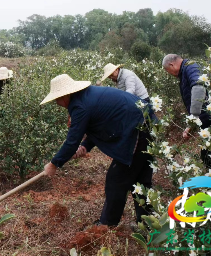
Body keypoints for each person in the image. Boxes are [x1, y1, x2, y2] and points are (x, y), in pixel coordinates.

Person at [42, 74, 154, 227]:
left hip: (136, 130)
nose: (57, 103)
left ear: (65, 95)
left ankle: (106, 226)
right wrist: (85, 146)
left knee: (116, 180)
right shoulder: (87, 96)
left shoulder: (80, 106)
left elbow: (71, 141)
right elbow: (98, 126)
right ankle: (149, 225)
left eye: (56, 99)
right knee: (140, 181)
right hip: (147, 123)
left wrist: (54, 164)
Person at [162, 54, 211, 167]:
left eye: (168, 71)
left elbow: (199, 87)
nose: (169, 74)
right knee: (208, 154)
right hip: (208, 118)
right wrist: (192, 125)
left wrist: (194, 118)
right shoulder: (185, 71)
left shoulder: (191, 67)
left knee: (209, 155)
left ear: (171, 64)